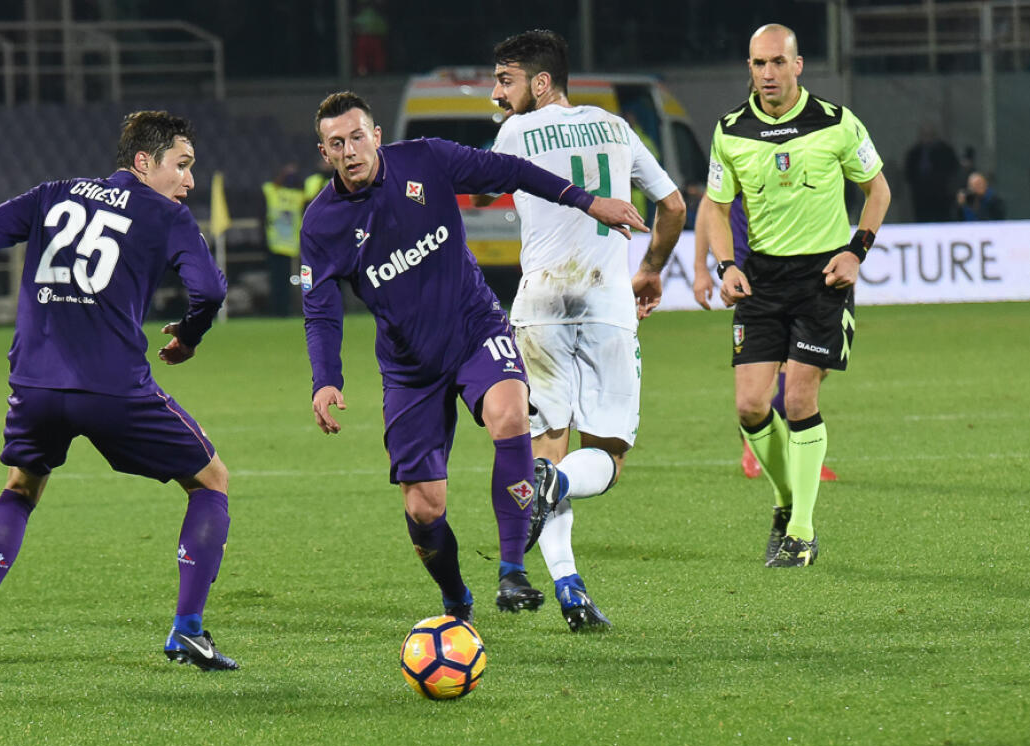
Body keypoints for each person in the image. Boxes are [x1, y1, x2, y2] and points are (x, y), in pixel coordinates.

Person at [301, 91, 647, 622]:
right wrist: (326, 379)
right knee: (424, 506)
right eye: (336, 143)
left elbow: (509, 170)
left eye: (357, 136)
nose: (350, 150)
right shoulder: (322, 225)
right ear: (324, 153)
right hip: (410, 368)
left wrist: (588, 201)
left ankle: (513, 571)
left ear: (375, 134)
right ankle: (455, 596)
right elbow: (322, 312)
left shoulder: (426, 159)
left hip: (474, 328)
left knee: (510, 414)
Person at [0, 111, 237, 672]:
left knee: (21, 488)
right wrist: (191, 336)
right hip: (112, 387)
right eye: (183, 165)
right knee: (211, 480)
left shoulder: (55, 193)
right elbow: (211, 289)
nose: (189, 181)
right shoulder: (165, 213)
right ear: (144, 163)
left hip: (35, 381)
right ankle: (187, 630)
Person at [480, 29, 685, 631]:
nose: (496, 93)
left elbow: (489, 183)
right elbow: (672, 205)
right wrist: (650, 269)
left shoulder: (515, 132)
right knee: (609, 458)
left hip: (539, 304)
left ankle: (569, 589)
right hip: (605, 303)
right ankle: (557, 493)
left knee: (547, 452)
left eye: (505, 80)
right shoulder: (616, 127)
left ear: (541, 83)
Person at [706, 24, 890, 567]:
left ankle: (803, 534)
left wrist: (857, 250)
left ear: (798, 65)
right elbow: (716, 205)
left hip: (822, 280)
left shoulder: (836, 123)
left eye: (776, 63)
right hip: (761, 281)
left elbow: (876, 189)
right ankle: (786, 504)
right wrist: (725, 264)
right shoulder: (730, 130)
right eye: (757, 64)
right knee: (750, 404)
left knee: (801, 399)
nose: (766, 74)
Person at [692, 193, 838, 483]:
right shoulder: (743, 150)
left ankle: (764, 438)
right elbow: (710, 206)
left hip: (806, 271)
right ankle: (785, 451)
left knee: (818, 369)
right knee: (789, 371)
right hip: (757, 276)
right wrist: (700, 268)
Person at [262, 161, 306, 316]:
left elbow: (269, 186)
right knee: (283, 282)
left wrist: (283, 173)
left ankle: (279, 311)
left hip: (276, 244)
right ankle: (282, 310)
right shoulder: (297, 196)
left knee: (278, 282)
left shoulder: (274, 192)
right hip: (287, 245)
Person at [903, 124, 960, 223]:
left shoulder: (945, 150)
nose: (927, 138)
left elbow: (953, 169)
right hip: (921, 197)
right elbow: (908, 173)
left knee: (942, 221)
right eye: (925, 134)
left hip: (941, 195)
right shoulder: (914, 153)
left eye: (930, 134)